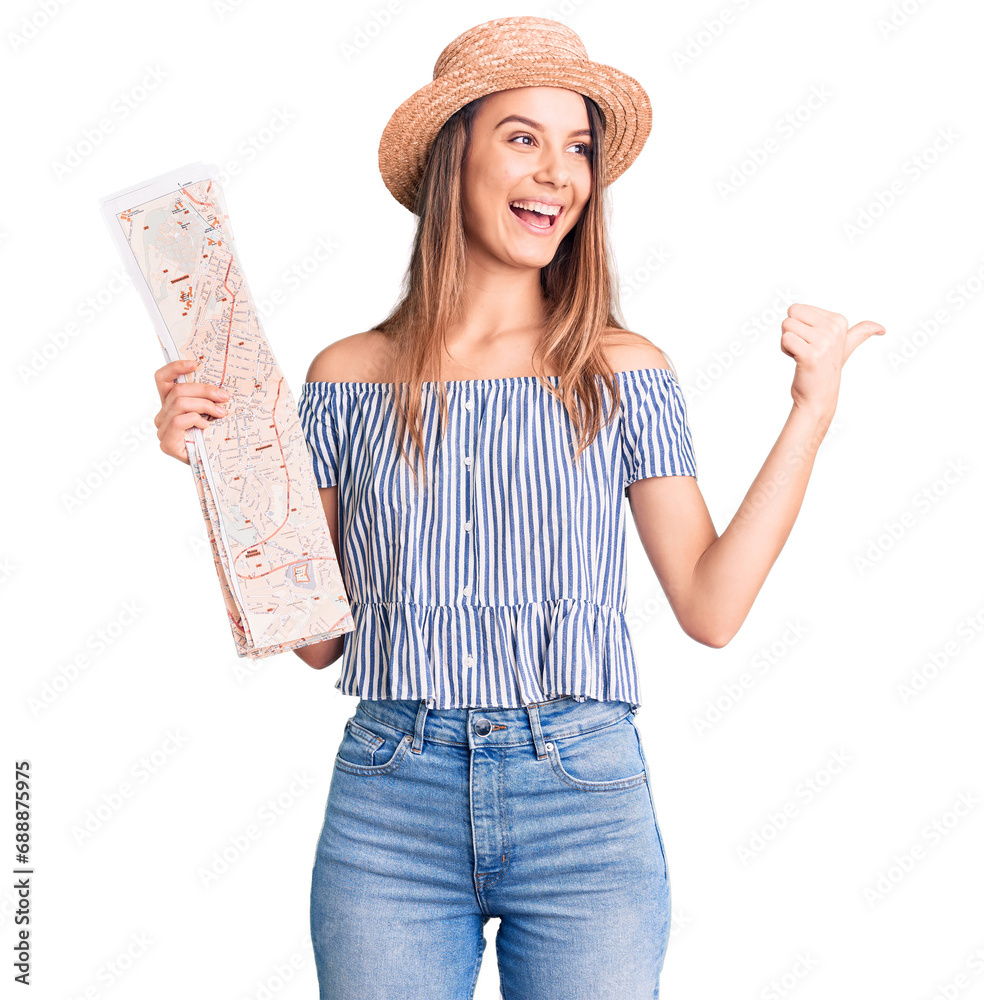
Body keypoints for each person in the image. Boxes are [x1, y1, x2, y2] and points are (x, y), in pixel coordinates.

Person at [151, 16, 884, 1000]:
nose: (560, 173)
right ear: (455, 158)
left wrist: (813, 410)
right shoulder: (349, 376)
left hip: (584, 797)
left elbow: (712, 606)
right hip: (390, 798)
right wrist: (219, 463)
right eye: (523, 137)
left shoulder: (622, 371)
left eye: (577, 145)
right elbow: (315, 637)